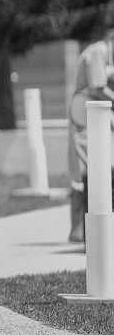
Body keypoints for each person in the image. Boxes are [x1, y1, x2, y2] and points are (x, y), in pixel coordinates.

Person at [67, 31, 114, 243]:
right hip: (86, 122)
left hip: (91, 121)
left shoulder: (102, 53)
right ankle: (81, 234)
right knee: (87, 174)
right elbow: (97, 86)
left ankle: (82, 234)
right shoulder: (98, 51)